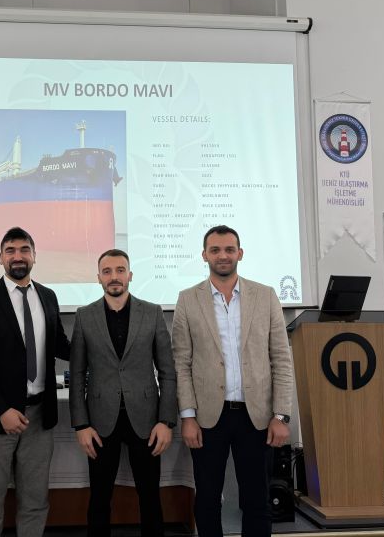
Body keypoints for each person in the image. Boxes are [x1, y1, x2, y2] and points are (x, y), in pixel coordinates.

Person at [171, 226, 293, 537]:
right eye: (215, 250)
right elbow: (182, 363)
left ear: (240, 253)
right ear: (204, 255)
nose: (222, 255)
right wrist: (188, 417)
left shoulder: (265, 296)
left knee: (256, 499)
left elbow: (281, 359)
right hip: (208, 418)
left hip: (257, 417)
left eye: (229, 249)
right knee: (207, 498)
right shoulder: (187, 300)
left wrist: (281, 415)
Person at [0, 227, 70, 537]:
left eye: (24, 250)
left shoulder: (48, 296)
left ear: (34, 256)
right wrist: (2, 410)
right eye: (10, 250)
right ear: (0, 258)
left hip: (40, 416)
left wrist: (100, 349)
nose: (18, 256)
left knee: (36, 500)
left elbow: (60, 345)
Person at [70, 249, 177, 537]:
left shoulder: (152, 312)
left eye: (120, 270)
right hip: (99, 422)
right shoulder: (84, 316)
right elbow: (77, 373)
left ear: (130, 275)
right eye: (107, 271)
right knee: (99, 498)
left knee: (150, 496)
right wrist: (81, 425)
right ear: (98, 278)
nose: (114, 276)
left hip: (147, 420)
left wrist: (166, 421)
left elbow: (167, 371)